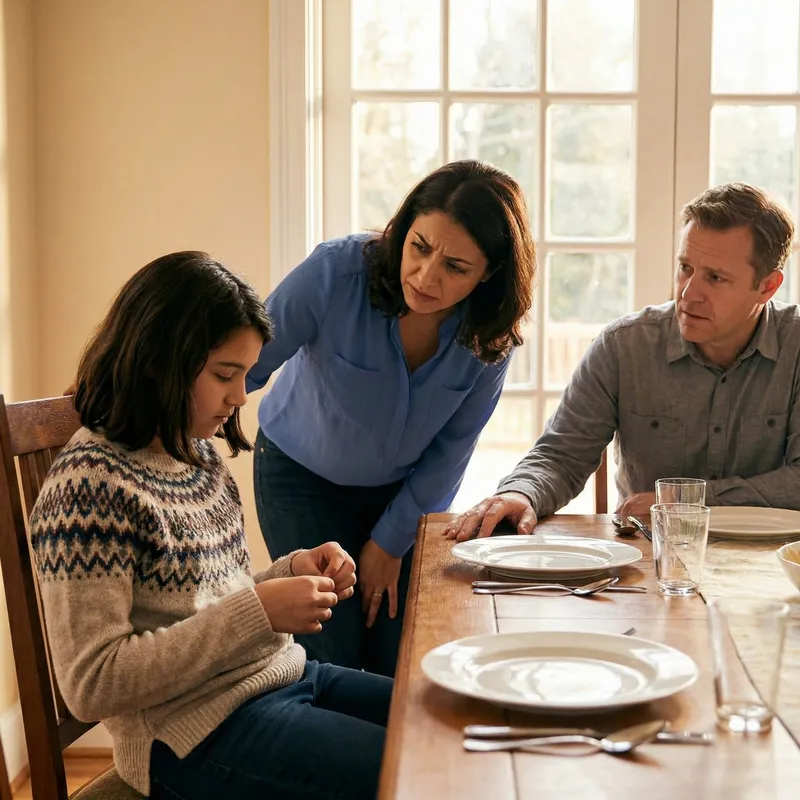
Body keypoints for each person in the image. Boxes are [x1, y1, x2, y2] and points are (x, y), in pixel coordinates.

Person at [30, 252, 391, 799]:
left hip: (280, 679)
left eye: (245, 374)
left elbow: (216, 603)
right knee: (415, 769)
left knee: (442, 715)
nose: (240, 395)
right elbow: (92, 682)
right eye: (226, 374)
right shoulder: (87, 491)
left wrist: (289, 573)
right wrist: (260, 611)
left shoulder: (196, 456)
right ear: (158, 362)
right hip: (191, 735)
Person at [248, 159, 536, 676]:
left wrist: (390, 540)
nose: (426, 277)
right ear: (404, 232)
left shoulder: (490, 338)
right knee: (333, 653)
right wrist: (155, 400)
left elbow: (452, 450)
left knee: (397, 656)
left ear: (488, 273)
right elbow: (247, 357)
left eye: (456, 267)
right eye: (420, 247)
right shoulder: (336, 271)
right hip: (299, 481)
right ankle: (337, 757)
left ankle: (386, 756)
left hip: (399, 498)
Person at [444, 182, 799, 541]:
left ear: (767, 287)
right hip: (649, 561)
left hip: (777, 565)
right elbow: (561, 454)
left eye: (715, 278)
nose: (688, 294)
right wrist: (520, 493)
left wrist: (680, 503)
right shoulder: (624, 345)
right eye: (685, 268)